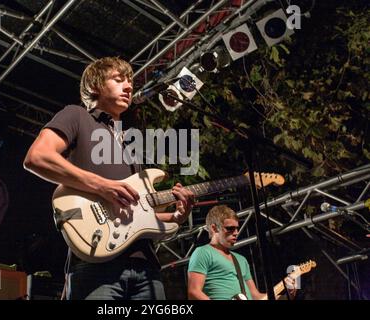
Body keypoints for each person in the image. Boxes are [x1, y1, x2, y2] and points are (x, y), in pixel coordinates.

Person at [23, 56, 194, 300]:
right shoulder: (77, 116)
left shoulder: (132, 144)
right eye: (118, 80)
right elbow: (37, 157)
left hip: (147, 268)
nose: (129, 87)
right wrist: (102, 186)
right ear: (95, 86)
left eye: (130, 82)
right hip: (95, 264)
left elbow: (139, 212)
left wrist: (176, 216)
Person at [187, 205, 297, 300]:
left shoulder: (241, 260)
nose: (236, 233)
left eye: (237, 228)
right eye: (230, 228)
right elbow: (194, 292)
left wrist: (286, 296)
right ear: (214, 228)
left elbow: (256, 296)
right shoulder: (203, 252)